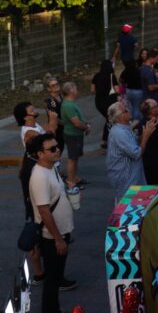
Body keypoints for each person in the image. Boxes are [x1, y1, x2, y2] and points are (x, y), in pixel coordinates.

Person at [28, 133, 78, 313]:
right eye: (52, 149)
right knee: (52, 279)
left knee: (55, 277)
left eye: (58, 147)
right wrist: (57, 239)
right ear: (40, 154)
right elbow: (44, 211)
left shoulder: (51, 168)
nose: (58, 150)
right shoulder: (39, 176)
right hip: (52, 237)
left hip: (61, 232)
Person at [14, 101, 58, 286]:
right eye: (30, 108)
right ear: (25, 116)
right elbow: (49, 136)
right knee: (35, 220)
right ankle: (39, 272)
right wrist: (53, 120)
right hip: (33, 178)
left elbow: (48, 132)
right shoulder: (28, 131)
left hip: (41, 171)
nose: (34, 109)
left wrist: (52, 119)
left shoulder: (36, 126)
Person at [106, 101, 154, 203]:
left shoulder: (125, 127)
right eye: (125, 110)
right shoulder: (119, 133)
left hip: (131, 176)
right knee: (127, 207)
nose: (129, 111)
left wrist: (145, 133)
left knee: (135, 206)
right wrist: (146, 136)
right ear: (119, 117)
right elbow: (136, 153)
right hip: (126, 178)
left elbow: (134, 142)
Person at [60, 82, 90, 189]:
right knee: (72, 159)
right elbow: (76, 122)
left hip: (75, 134)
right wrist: (86, 127)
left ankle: (74, 177)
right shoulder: (68, 105)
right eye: (76, 89)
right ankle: (71, 181)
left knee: (75, 157)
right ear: (71, 91)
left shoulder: (70, 103)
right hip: (73, 135)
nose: (77, 91)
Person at [91, 59, 119, 147]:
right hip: (110, 101)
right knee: (111, 119)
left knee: (109, 119)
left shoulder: (96, 76)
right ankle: (107, 140)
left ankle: (106, 140)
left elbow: (92, 90)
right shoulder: (112, 76)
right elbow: (117, 89)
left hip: (99, 102)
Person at [44, 77, 64, 153]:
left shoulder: (61, 97)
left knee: (61, 149)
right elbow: (53, 118)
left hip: (63, 129)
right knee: (57, 151)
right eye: (53, 85)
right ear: (49, 89)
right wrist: (67, 123)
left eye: (56, 84)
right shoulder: (49, 101)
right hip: (56, 130)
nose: (56, 86)